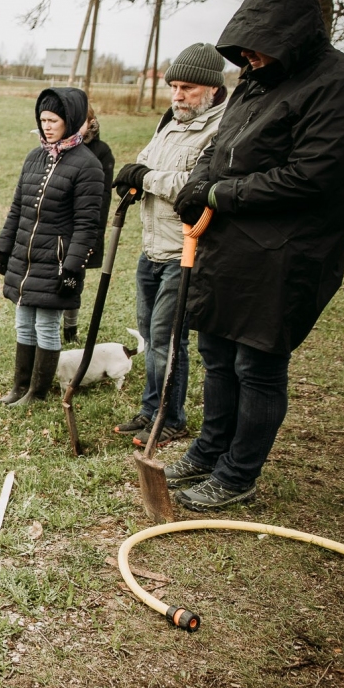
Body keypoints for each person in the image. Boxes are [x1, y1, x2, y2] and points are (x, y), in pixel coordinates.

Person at [164, 0, 344, 511]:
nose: (251, 58)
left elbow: (312, 176)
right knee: (216, 352)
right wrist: (199, 184)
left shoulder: (343, 85)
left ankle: (239, 474)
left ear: (294, 38)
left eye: (261, 47)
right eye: (245, 50)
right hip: (229, 245)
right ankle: (211, 449)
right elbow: (222, 145)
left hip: (288, 253)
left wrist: (221, 192)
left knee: (255, 364)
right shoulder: (257, 79)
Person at [111, 43, 228, 448]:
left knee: (166, 339)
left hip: (186, 250)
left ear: (213, 89)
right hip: (152, 248)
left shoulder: (219, 130)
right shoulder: (171, 123)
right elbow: (142, 163)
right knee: (149, 334)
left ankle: (170, 417)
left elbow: (191, 187)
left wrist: (143, 177)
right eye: (174, 86)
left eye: (188, 88)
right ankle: (150, 409)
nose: (177, 95)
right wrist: (135, 177)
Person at [0, 88, 103, 405]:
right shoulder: (34, 157)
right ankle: (20, 387)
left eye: (53, 120)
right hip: (26, 258)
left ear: (70, 120)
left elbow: (87, 225)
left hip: (56, 261)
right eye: (42, 119)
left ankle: (38, 394)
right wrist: (3, 246)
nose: (47, 126)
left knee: (46, 325)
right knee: (24, 321)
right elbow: (18, 208)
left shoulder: (88, 166)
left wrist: (72, 267)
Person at [62, 106, 115, 344]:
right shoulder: (57, 146)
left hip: (82, 226)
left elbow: (102, 202)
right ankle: (49, 327)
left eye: (82, 121)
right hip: (57, 224)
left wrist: (93, 237)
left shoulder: (101, 152)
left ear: (91, 122)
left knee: (73, 278)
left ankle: (70, 328)